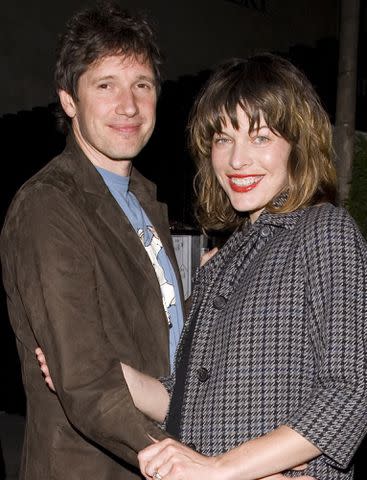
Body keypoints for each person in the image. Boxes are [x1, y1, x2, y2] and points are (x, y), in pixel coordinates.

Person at [117, 54, 367, 480]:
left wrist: (219, 468)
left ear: (297, 144)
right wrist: (100, 368)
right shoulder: (219, 265)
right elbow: (183, 397)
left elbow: (350, 393)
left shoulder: (324, 230)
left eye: (261, 137)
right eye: (222, 138)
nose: (236, 161)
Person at [0, 2, 186, 479]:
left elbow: (161, 335)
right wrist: (190, 460)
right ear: (68, 100)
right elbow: (87, 383)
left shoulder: (145, 200)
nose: (129, 106)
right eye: (106, 86)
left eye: (141, 85)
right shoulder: (49, 206)